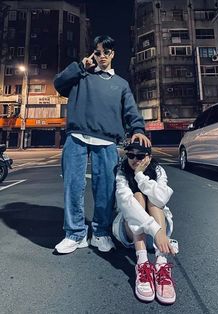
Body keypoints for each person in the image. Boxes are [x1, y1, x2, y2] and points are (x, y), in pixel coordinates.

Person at [53, 35, 151, 254]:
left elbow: (131, 112)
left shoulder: (121, 84)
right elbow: (58, 83)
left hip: (107, 140)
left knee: (106, 189)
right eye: (98, 52)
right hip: (76, 137)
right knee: (73, 186)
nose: (102, 56)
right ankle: (74, 234)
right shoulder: (81, 76)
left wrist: (138, 129)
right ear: (93, 54)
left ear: (112, 54)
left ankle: (101, 232)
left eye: (106, 52)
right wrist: (80, 66)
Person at [113, 140, 178, 304]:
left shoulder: (158, 170)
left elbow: (162, 198)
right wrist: (156, 231)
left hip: (159, 240)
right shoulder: (122, 172)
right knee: (137, 197)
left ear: (149, 157)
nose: (135, 159)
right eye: (131, 155)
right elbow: (126, 204)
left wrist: (140, 176)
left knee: (155, 201)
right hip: (134, 234)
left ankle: (161, 263)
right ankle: (142, 264)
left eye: (140, 155)